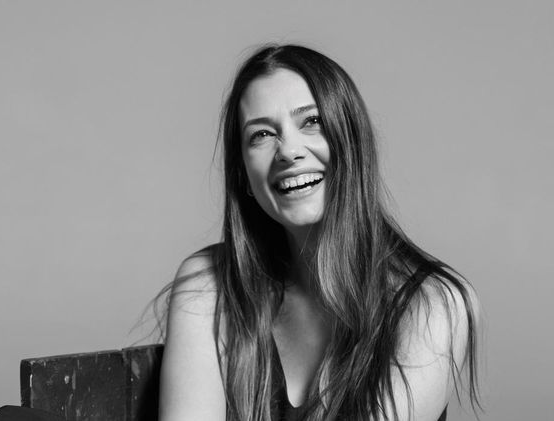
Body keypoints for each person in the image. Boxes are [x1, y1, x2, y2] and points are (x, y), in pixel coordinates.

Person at [157, 44, 481, 421]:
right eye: (261, 134)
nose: (288, 151)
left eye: (311, 121)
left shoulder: (434, 304)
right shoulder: (209, 285)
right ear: (243, 174)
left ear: (352, 143)